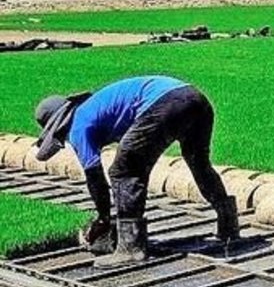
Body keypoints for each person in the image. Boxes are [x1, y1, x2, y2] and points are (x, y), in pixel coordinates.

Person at [33, 76, 240, 266]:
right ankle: (229, 225)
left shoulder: (78, 127)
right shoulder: (92, 108)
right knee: (198, 162)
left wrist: (104, 218)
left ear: (58, 126)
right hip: (194, 98)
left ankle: (131, 248)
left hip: (163, 104)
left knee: (123, 171)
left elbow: (94, 176)